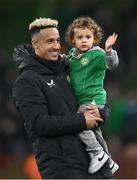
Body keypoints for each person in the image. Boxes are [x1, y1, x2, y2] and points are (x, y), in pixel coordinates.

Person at [12, 17, 114, 179]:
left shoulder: (68, 68)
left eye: (58, 41)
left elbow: (97, 96)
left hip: (95, 165)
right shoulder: (27, 81)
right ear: (35, 44)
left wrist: (101, 113)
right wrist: (82, 121)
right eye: (50, 41)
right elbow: (38, 124)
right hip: (64, 169)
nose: (56, 46)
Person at [65, 16, 119, 174]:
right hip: (82, 99)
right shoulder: (72, 57)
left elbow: (111, 64)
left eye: (88, 37)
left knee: (80, 123)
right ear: (73, 40)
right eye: (79, 37)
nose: (84, 40)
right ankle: (107, 160)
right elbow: (64, 66)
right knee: (94, 131)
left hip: (93, 98)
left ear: (94, 39)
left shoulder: (96, 54)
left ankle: (97, 153)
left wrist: (109, 50)